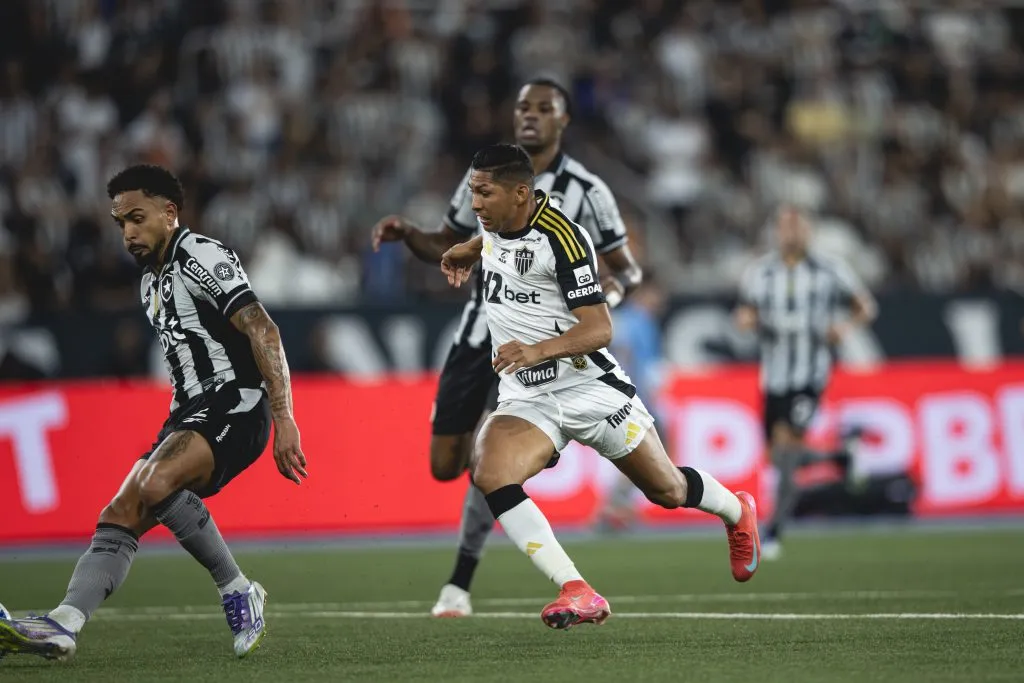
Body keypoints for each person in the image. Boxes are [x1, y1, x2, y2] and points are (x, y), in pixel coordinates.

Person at [440, 144, 759, 630]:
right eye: (472, 193)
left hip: (589, 387)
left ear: (520, 193)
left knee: (668, 490)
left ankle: (737, 510)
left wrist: (536, 350)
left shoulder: (564, 240)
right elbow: (497, 244)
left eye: (484, 193)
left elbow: (599, 329)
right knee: (490, 470)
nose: (475, 204)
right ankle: (576, 588)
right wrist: (471, 247)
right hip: (528, 397)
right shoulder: (492, 228)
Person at [0, 165, 307, 661]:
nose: (128, 233)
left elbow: (263, 330)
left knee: (155, 483)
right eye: (121, 223)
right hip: (188, 414)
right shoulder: (150, 282)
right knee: (118, 515)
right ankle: (64, 624)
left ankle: (238, 589)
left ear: (169, 213)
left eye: (137, 219)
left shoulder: (199, 254)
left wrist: (285, 416)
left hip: (236, 404)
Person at [370, 78, 643, 618]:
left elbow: (627, 268)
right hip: (481, 335)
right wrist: (411, 235)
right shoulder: (486, 179)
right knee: (445, 463)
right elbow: (446, 243)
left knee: (487, 459)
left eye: (545, 108)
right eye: (523, 106)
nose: (531, 116)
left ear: (564, 120)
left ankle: (459, 583)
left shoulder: (588, 191)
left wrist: (604, 294)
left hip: (545, 346)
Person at [735, 205, 877, 560]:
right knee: (779, 456)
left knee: (785, 450)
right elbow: (746, 310)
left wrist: (844, 327)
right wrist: (747, 319)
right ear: (776, 232)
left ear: (809, 231)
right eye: (785, 226)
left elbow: (865, 306)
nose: (792, 232)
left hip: (809, 374)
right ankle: (842, 455)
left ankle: (774, 531)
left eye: (798, 226)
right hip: (773, 376)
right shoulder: (760, 272)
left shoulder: (829, 269)